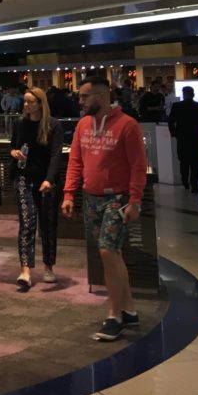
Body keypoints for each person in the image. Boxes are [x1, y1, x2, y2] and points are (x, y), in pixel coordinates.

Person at [62, 77, 147, 342]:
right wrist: (69, 193)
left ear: (101, 97)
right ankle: (129, 308)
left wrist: (135, 200)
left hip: (117, 199)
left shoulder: (127, 125)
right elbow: (75, 161)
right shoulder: (83, 125)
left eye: (84, 96)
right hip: (91, 198)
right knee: (112, 254)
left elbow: (138, 165)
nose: (80, 101)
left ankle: (115, 315)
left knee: (107, 251)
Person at [10, 87, 63, 290]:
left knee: (48, 224)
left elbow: (56, 155)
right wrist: (14, 153)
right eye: (24, 101)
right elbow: (13, 146)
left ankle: (49, 266)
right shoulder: (20, 124)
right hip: (24, 177)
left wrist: (49, 179)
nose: (26, 105)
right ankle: (25, 270)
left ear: (41, 104)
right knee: (27, 223)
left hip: (46, 180)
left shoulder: (53, 125)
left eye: (30, 102)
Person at [167, 86, 198, 193]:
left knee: (183, 161)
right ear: (193, 94)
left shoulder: (177, 106)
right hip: (196, 138)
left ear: (184, 94)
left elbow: (170, 121)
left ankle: (185, 181)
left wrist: (174, 133)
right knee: (195, 163)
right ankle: (194, 185)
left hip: (182, 138)